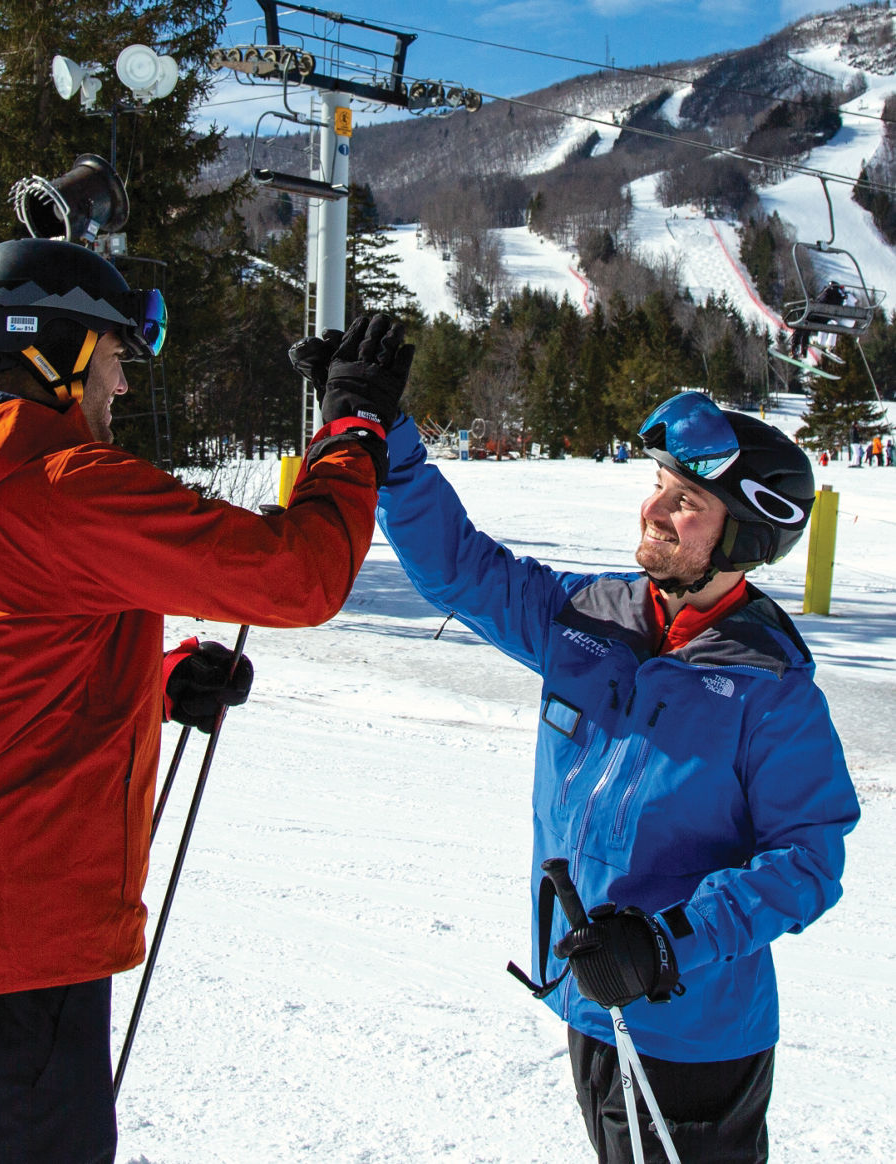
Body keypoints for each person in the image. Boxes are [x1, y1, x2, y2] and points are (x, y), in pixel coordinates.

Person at [0, 241, 413, 1164]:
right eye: (114, 355)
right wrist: (351, 434)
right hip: (10, 940)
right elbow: (299, 576)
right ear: (56, 354)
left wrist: (152, 681)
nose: (120, 384)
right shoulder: (63, 489)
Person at [338, 381, 858, 1163]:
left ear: (744, 534)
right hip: (591, 1004)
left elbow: (808, 864)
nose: (654, 510)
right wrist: (390, 440)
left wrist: (665, 943)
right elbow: (460, 569)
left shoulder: (770, 691)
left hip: (694, 1037)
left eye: (686, 501)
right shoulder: (589, 618)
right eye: (657, 486)